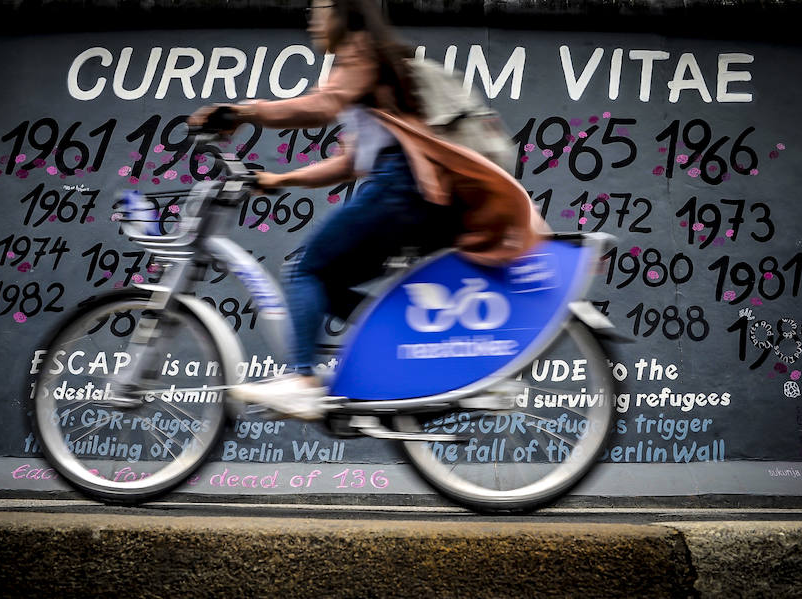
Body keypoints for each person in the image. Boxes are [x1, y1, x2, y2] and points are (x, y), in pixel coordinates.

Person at [188, 0, 548, 419]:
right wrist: (278, 180)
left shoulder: (360, 50)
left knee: (307, 269)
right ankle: (419, 355)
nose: (312, 19)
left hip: (402, 187)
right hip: (429, 200)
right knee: (333, 283)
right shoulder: (377, 71)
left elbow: (320, 107)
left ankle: (303, 380)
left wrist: (243, 111)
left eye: (320, 9)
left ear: (344, 14)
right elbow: (348, 164)